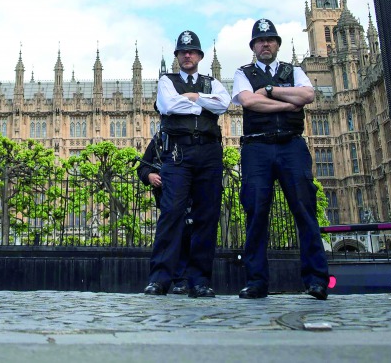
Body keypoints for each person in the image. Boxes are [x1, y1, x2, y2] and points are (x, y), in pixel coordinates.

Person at [232, 18, 330, 300]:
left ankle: (316, 280)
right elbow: (249, 102)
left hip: (291, 145)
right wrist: (290, 102)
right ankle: (256, 281)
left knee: (304, 210)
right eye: (260, 40)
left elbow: (309, 94)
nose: (265, 44)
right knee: (256, 213)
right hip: (257, 148)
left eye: (270, 39)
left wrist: (271, 91)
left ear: (277, 44)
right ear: (253, 46)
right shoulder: (243, 73)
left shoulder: (294, 70)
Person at [143, 30, 231, 298]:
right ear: (177, 56)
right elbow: (168, 106)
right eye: (183, 51)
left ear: (200, 56)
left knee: (206, 216)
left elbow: (224, 105)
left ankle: (200, 281)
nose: (188, 55)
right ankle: (160, 279)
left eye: (192, 51)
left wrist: (193, 99)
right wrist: (202, 103)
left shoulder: (212, 81)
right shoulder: (166, 82)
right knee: (171, 214)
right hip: (178, 154)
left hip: (209, 152)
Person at [137, 133, 192, 295]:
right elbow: (143, 167)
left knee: (189, 235)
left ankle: (188, 280)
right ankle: (174, 280)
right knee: (172, 235)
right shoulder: (159, 140)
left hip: (192, 196)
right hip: (168, 198)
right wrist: (150, 176)